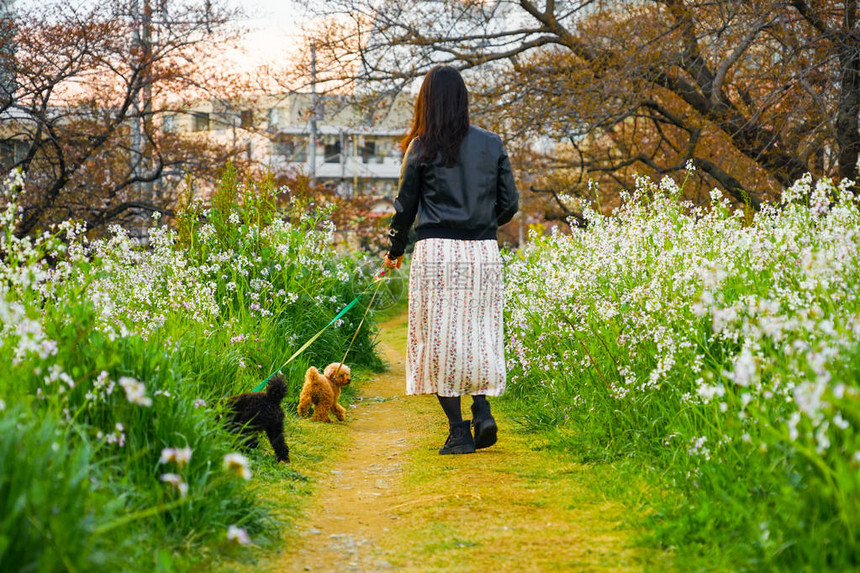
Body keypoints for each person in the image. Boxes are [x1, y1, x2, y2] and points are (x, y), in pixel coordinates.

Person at [382, 65, 519, 455]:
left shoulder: (422, 146)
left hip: (437, 253)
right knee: (478, 333)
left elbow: (404, 208)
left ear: (426, 101)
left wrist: (394, 251)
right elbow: (509, 203)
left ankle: (459, 432)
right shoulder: (491, 144)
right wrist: (481, 224)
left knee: (438, 340)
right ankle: (482, 408)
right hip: (481, 254)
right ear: (462, 99)